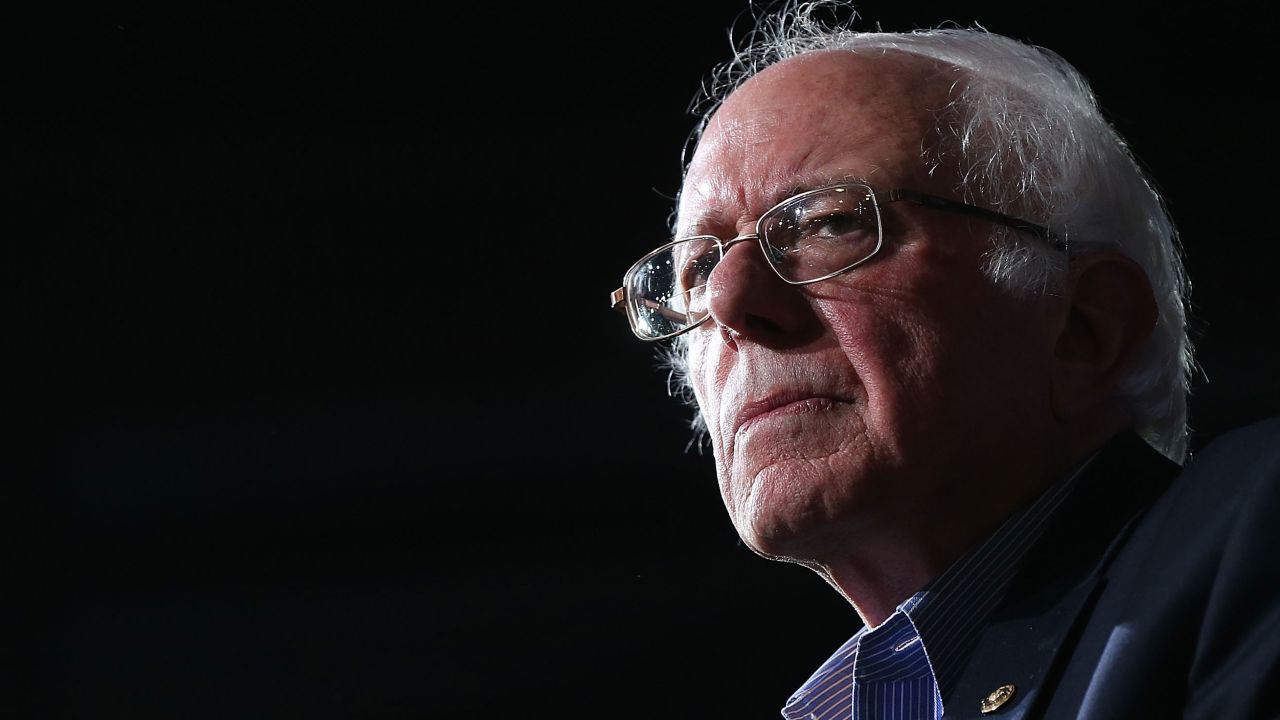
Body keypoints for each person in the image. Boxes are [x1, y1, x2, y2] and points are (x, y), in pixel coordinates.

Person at [609, 2, 1280, 718]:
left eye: (826, 222)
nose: (733, 300)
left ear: (1086, 325)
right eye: (698, 272)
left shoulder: (1256, 535)